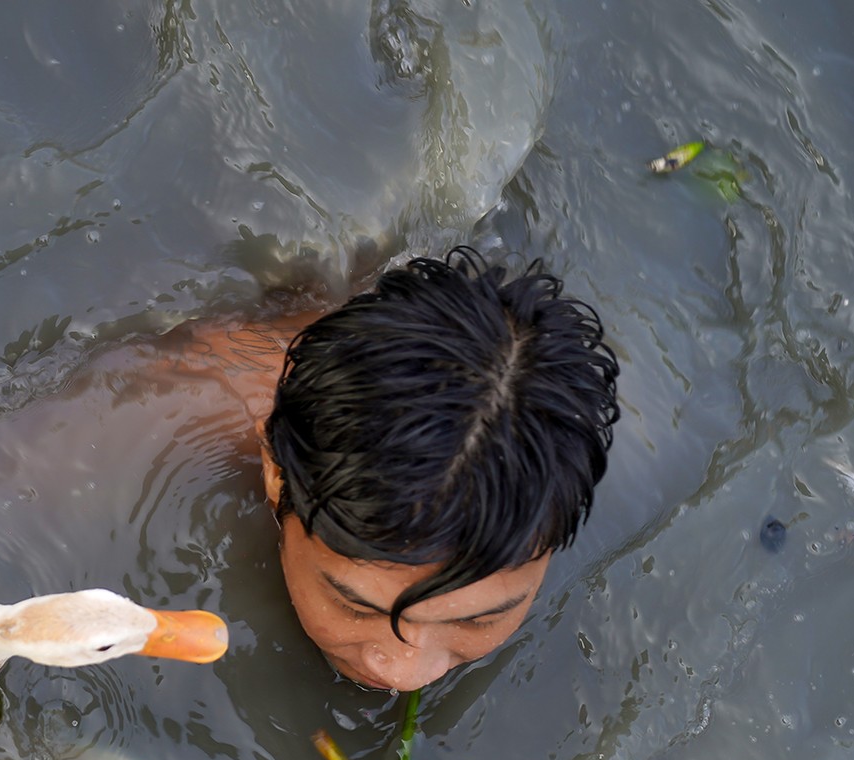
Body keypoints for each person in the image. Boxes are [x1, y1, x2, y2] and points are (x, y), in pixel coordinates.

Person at [165, 247, 620, 691]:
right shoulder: (182, 403)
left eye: (481, 619)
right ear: (275, 472)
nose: (407, 673)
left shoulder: (599, 449)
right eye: (356, 608)